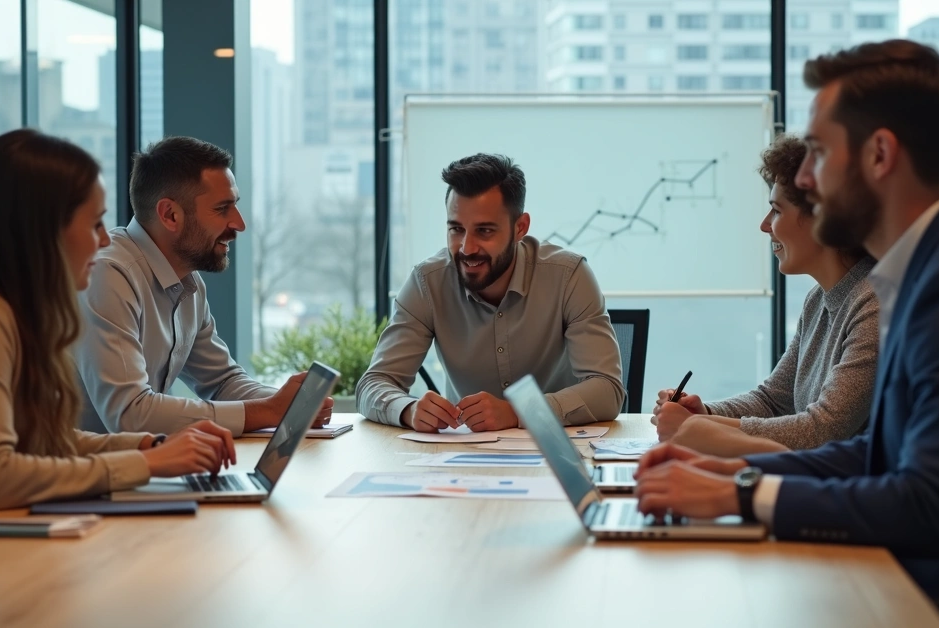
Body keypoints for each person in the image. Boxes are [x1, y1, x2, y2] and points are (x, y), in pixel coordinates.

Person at [634, 39, 939, 594]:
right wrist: (743, 473)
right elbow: (880, 452)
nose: (807, 179)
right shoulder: (934, 265)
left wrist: (741, 493)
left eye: (818, 151)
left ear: (879, 155)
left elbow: (928, 504)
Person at [0, 130, 237, 546]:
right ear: (41, 230)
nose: (105, 239)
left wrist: (151, 445)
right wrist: (146, 462)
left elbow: (42, 442)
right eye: (94, 223)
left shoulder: (15, 311)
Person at [75, 136, 332, 436]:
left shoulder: (187, 281)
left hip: (134, 469)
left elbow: (222, 381)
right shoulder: (108, 274)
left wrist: (292, 405)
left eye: (235, 206)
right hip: (74, 477)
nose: (239, 224)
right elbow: (131, 414)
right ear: (170, 215)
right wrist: (270, 411)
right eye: (222, 209)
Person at [356, 153, 624, 432]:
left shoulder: (569, 276)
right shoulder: (427, 283)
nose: (467, 248)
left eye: (484, 231)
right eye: (456, 229)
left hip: (558, 452)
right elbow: (373, 385)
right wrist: (408, 409)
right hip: (464, 458)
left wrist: (519, 412)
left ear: (520, 227)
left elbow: (607, 390)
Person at [651, 135, 879, 458]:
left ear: (821, 220)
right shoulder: (819, 300)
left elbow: (823, 430)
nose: (764, 225)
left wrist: (698, 429)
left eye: (775, 211)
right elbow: (773, 400)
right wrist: (703, 413)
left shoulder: (873, 304)